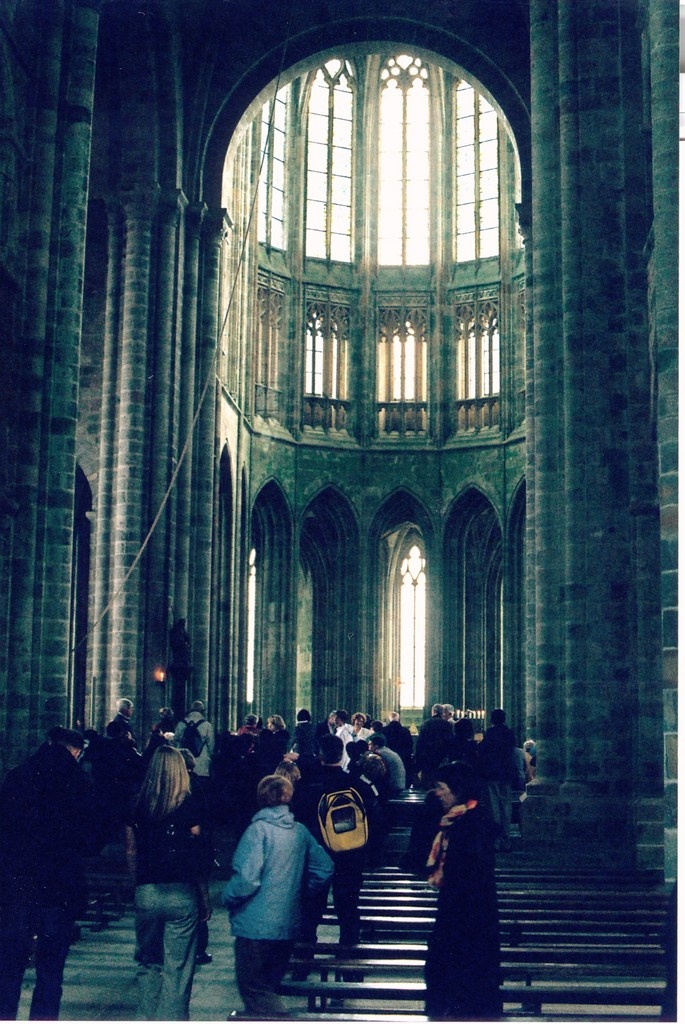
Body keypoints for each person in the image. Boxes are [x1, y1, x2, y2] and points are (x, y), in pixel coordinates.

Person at [0, 727, 101, 1020]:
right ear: (75, 751)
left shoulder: (18, 777)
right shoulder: (78, 782)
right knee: (50, 969)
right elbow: (91, 837)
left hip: (17, 883)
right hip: (58, 886)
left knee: (9, 965)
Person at [221, 774, 334, 1019]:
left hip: (254, 925)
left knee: (253, 988)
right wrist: (301, 892)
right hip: (287, 924)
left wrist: (227, 897)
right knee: (270, 986)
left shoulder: (257, 831)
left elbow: (247, 880)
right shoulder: (300, 832)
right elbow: (324, 867)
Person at [125, 746, 211, 1020]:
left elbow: (131, 850)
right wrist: (204, 896)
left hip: (148, 889)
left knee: (148, 962)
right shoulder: (189, 803)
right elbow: (197, 854)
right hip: (181, 891)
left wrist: (137, 884)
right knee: (178, 965)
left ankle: (146, 1018)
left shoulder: (139, 803)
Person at [423, 761, 501, 1021]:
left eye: (441, 787)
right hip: (462, 917)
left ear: (457, 791)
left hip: (466, 921)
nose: (438, 793)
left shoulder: (469, 827)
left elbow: (468, 877)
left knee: (463, 986)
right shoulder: (457, 822)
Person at [292, 733, 376, 948]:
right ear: (342, 754)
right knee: (348, 908)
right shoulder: (357, 784)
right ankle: (349, 958)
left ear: (320, 754)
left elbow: (297, 817)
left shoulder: (308, 785)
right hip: (351, 854)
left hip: (317, 855)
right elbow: (374, 817)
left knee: (310, 909)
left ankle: (304, 956)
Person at [477, 708, 518, 852]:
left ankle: (496, 840)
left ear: (492, 720)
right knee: (506, 807)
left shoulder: (491, 733)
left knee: (493, 808)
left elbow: (482, 751)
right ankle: (506, 839)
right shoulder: (509, 733)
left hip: (492, 775)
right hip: (506, 774)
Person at [173, 701, 214, 795]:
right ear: (202, 711)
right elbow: (211, 744)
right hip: (201, 762)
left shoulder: (181, 723)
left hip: (183, 761)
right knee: (200, 789)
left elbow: (175, 740)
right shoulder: (206, 725)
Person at [414, 704, 452, 789]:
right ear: (442, 713)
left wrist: (418, 758)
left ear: (433, 712)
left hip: (427, 756)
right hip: (442, 756)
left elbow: (421, 742)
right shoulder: (447, 724)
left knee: (427, 780)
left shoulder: (426, 723)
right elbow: (450, 741)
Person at [384, 711, 414, 782]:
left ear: (390, 718)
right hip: (403, 756)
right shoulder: (405, 731)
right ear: (398, 718)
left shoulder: (384, 730)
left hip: (388, 757)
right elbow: (410, 744)